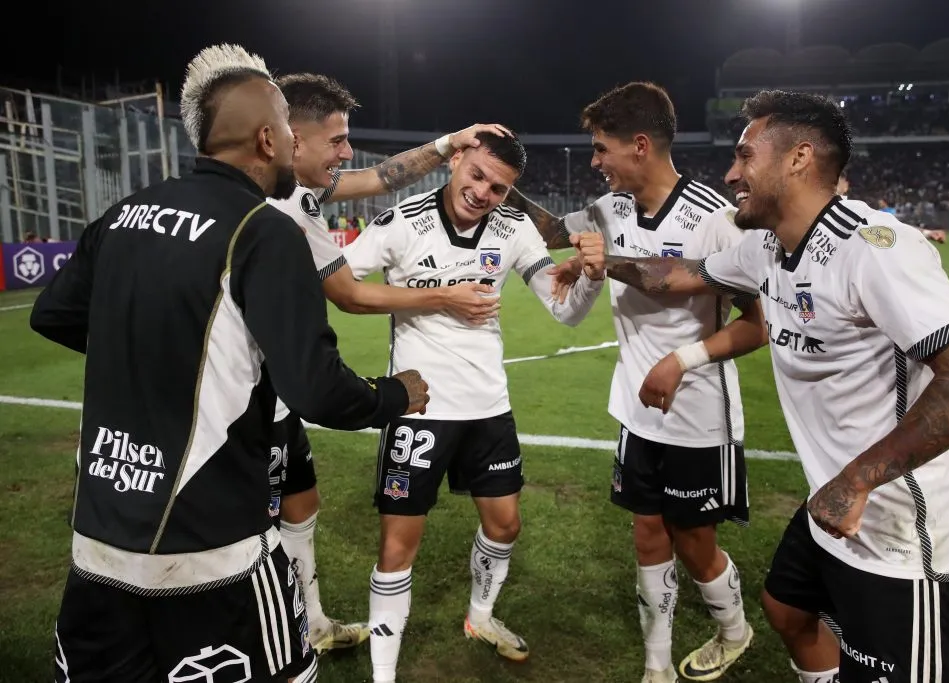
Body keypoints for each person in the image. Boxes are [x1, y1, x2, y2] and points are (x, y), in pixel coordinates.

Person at [569, 89, 949, 683]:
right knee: (785, 608)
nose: (731, 173)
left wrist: (857, 481)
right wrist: (608, 263)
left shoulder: (873, 249)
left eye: (746, 157)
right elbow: (676, 274)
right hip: (833, 501)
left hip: (902, 524)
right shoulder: (765, 247)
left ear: (798, 158)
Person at [30, 43, 428, 683]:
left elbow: (53, 314)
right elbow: (317, 390)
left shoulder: (125, 213)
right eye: (291, 135)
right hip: (215, 554)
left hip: (98, 544)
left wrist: (161, 358)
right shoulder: (262, 231)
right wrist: (396, 394)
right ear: (271, 140)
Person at [505, 82, 763, 683]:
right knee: (647, 531)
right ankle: (657, 664)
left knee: (695, 544)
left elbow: (758, 327)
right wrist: (486, 173)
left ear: (639, 145)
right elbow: (548, 231)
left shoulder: (716, 220)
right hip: (635, 411)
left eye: (601, 150)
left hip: (700, 414)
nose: (595, 162)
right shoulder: (610, 209)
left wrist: (682, 360)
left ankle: (734, 630)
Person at [341, 131, 605, 683]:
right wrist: (439, 296)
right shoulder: (401, 222)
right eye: (478, 175)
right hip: (419, 407)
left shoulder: (514, 231)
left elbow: (563, 308)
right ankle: (383, 675)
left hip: (488, 406)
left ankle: (480, 618)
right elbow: (344, 287)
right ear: (456, 159)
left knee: (505, 525)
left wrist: (589, 278)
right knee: (398, 544)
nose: (483, 192)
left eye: (499, 187)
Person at [263, 70, 510, 655]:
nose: (347, 153)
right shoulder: (289, 210)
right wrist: (445, 297)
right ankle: (262, 641)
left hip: (277, 386)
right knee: (246, 527)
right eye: (337, 141)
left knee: (302, 503)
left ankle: (314, 622)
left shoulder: (302, 192)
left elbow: (379, 176)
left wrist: (452, 143)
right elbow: (352, 295)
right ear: (292, 140)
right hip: (245, 391)